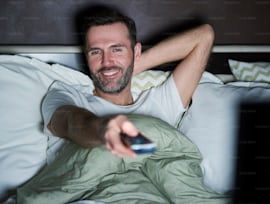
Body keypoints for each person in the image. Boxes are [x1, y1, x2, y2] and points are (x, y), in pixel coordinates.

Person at [42, 6, 214, 159]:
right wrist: (102, 129)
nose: (107, 61)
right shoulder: (66, 94)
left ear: (136, 51)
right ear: (86, 57)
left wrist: (130, 66)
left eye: (117, 50)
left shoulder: (161, 103)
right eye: (95, 52)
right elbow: (67, 122)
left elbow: (204, 36)